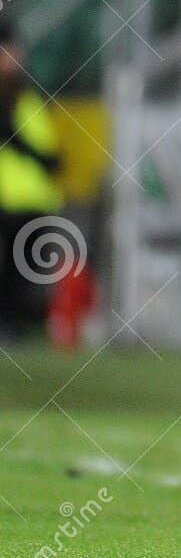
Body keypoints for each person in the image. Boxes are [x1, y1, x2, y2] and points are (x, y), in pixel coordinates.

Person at [0, 23, 65, 339]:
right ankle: (9, 325)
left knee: (25, 270)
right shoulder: (12, 100)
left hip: (34, 199)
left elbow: (47, 151)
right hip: (8, 200)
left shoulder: (26, 98)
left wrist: (44, 158)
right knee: (11, 271)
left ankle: (17, 326)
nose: (16, 57)